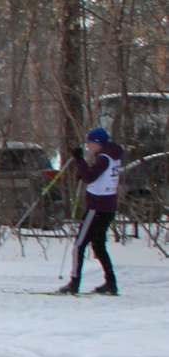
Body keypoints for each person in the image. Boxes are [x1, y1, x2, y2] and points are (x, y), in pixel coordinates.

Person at [59, 126, 123, 295]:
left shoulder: (103, 157)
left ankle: (74, 282)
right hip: (108, 206)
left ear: (97, 143)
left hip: (97, 206)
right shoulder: (113, 155)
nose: (87, 145)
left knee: (80, 244)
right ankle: (111, 282)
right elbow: (97, 175)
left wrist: (79, 160)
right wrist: (85, 171)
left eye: (89, 142)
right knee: (98, 245)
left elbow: (90, 177)